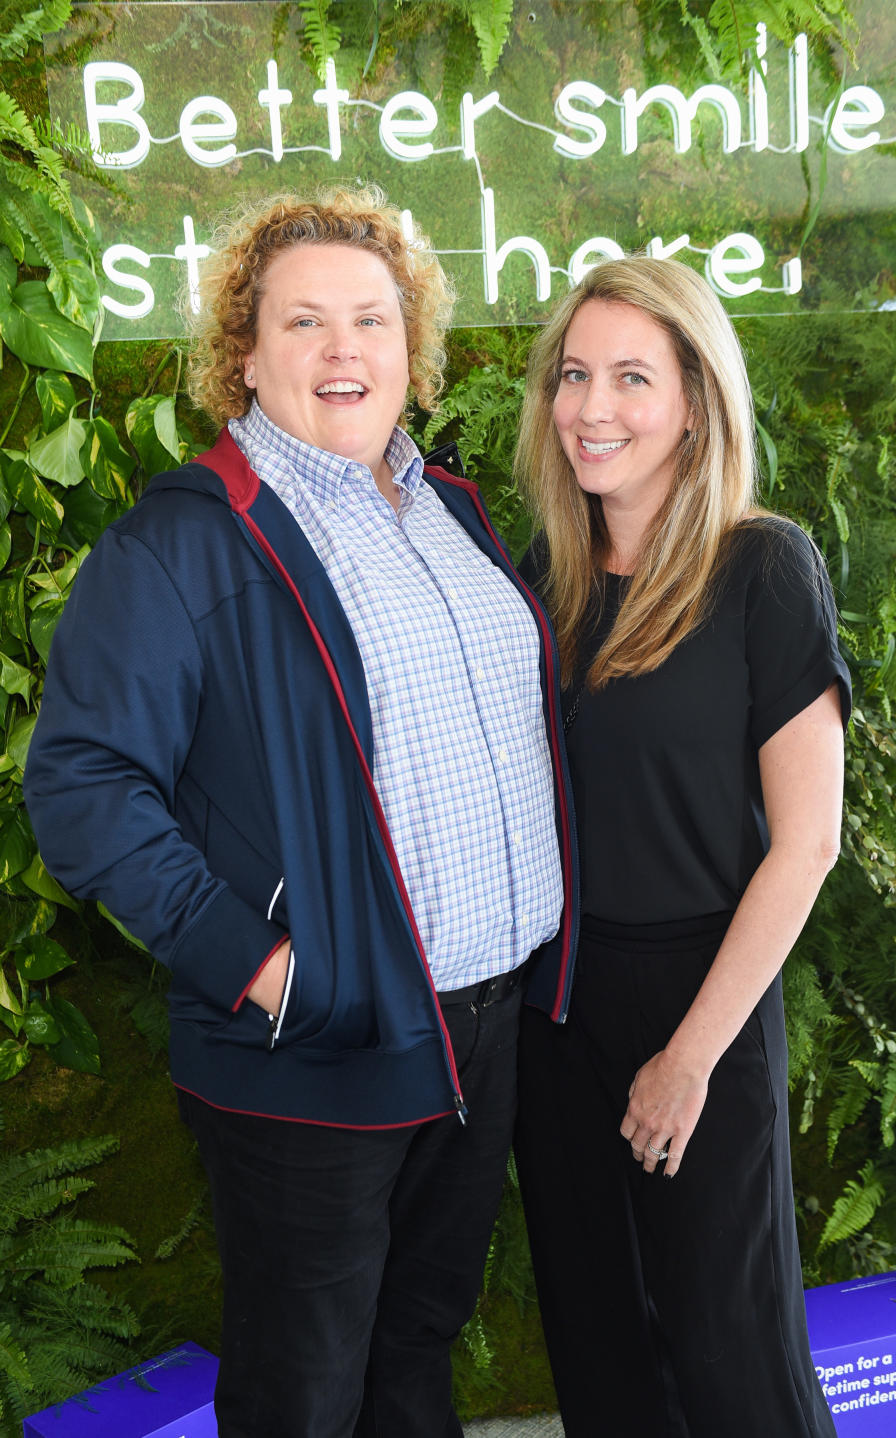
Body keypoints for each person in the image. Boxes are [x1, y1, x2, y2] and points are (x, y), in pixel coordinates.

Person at [24, 186, 577, 1438]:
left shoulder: (447, 507)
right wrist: (265, 966)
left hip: (484, 1026)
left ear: (412, 345)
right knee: (304, 1387)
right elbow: (82, 785)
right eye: (305, 323)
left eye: (374, 321)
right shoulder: (180, 545)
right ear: (244, 352)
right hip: (317, 1039)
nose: (345, 352)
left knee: (416, 1346)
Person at [512, 255, 849, 1438]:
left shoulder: (762, 568)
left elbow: (805, 845)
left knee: (734, 1359)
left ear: (698, 401)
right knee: (600, 1361)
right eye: (574, 375)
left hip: (699, 999)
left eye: (632, 378)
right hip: (555, 1012)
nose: (592, 408)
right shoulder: (542, 580)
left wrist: (691, 1056)